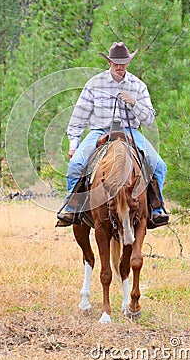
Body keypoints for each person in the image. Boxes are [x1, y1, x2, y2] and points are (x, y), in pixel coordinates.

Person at [56, 41, 168, 227]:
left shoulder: (138, 86)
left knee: (159, 166)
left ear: (128, 63)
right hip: (100, 131)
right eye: (116, 63)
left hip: (130, 131)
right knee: (76, 165)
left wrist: (134, 103)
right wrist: (73, 146)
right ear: (109, 62)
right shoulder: (94, 84)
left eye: (123, 62)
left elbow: (149, 119)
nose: (119, 66)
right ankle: (72, 207)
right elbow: (78, 118)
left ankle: (156, 209)